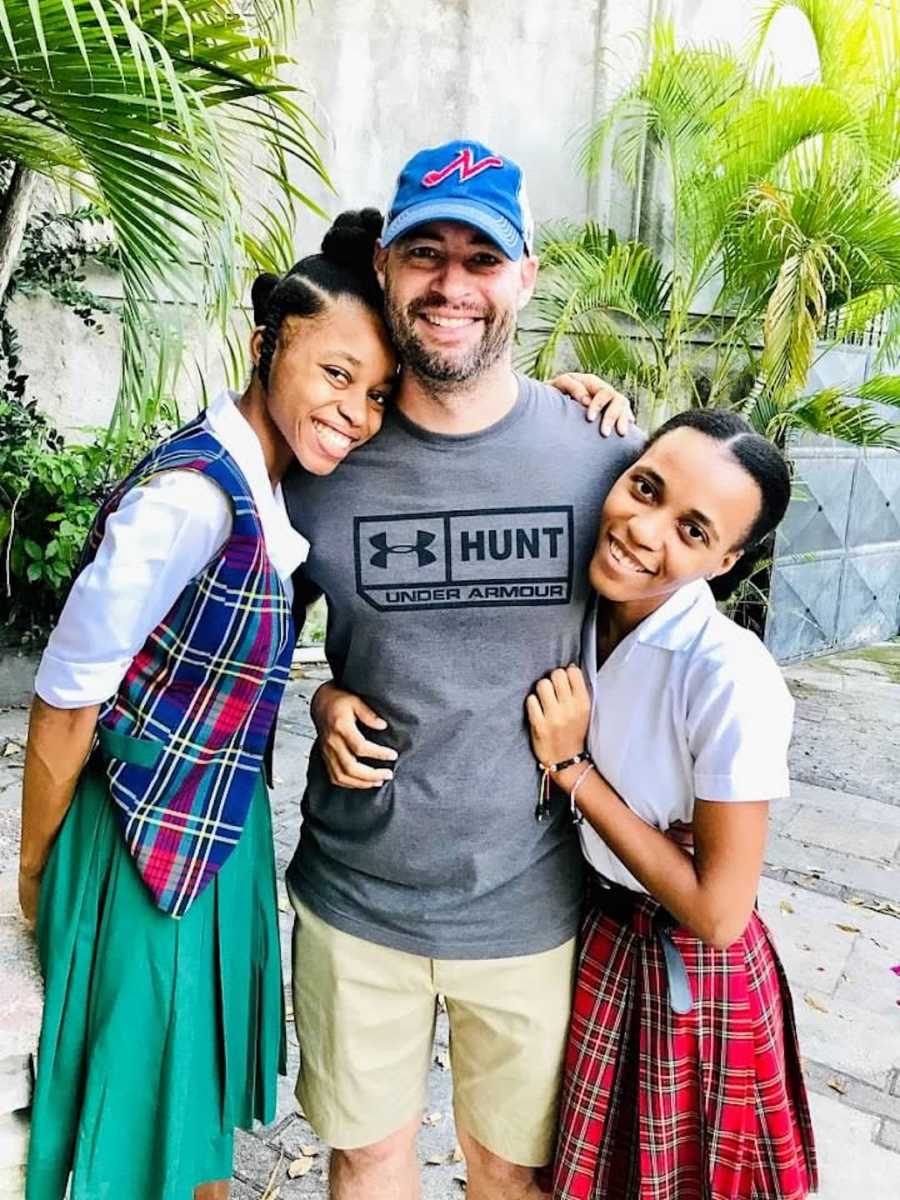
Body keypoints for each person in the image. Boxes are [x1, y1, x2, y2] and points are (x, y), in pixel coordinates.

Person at [282, 139, 644, 1200]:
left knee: (513, 1175)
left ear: (525, 279)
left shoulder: (601, 459)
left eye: (482, 259)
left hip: (529, 901)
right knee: (367, 1162)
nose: (452, 285)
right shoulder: (326, 456)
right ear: (386, 271)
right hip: (358, 896)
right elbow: (245, 639)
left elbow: (673, 650)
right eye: (425, 254)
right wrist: (324, 690)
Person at [19, 212, 398, 1200]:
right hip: (139, 845)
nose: (354, 412)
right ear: (264, 343)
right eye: (335, 375)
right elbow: (66, 699)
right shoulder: (192, 499)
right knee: (142, 1144)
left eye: (375, 393)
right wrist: (36, 869)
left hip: (215, 841)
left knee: (188, 1144)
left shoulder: (276, 486)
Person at [525, 410, 818, 1200]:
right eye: (643, 487)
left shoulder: (729, 674)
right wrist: (561, 393)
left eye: (691, 531)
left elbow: (721, 913)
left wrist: (575, 772)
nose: (642, 531)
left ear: (726, 560)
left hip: (690, 973)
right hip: (599, 933)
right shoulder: (578, 611)